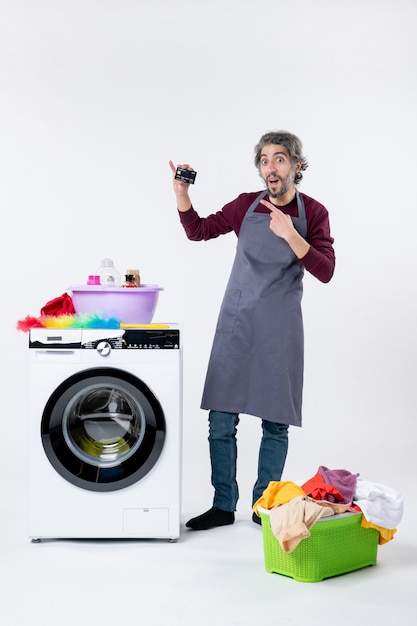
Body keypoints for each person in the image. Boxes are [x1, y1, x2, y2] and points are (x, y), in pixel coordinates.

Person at [169, 130, 335, 530]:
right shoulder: (246, 205)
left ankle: (264, 506)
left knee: (275, 422)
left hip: (280, 329)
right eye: (264, 160)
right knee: (221, 419)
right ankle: (223, 505)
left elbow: (326, 271)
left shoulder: (313, 213)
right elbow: (199, 230)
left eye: (279, 159)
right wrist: (181, 194)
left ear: (296, 165)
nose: (270, 167)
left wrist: (291, 235)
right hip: (237, 323)